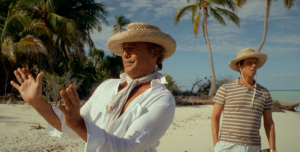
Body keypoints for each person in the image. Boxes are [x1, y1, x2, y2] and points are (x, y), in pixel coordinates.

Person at [10, 22, 177, 152]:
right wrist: (37, 102)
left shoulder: (161, 98)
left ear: (154, 54)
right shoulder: (107, 86)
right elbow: (70, 127)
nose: (125, 54)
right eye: (124, 49)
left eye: (132, 48)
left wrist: (78, 124)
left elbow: (128, 147)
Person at [211, 48, 276, 152]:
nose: (254, 65)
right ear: (239, 66)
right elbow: (215, 117)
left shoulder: (264, 92)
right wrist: (216, 145)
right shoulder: (225, 89)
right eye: (250, 63)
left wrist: (273, 149)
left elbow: (269, 123)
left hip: (253, 147)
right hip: (227, 146)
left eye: (255, 62)